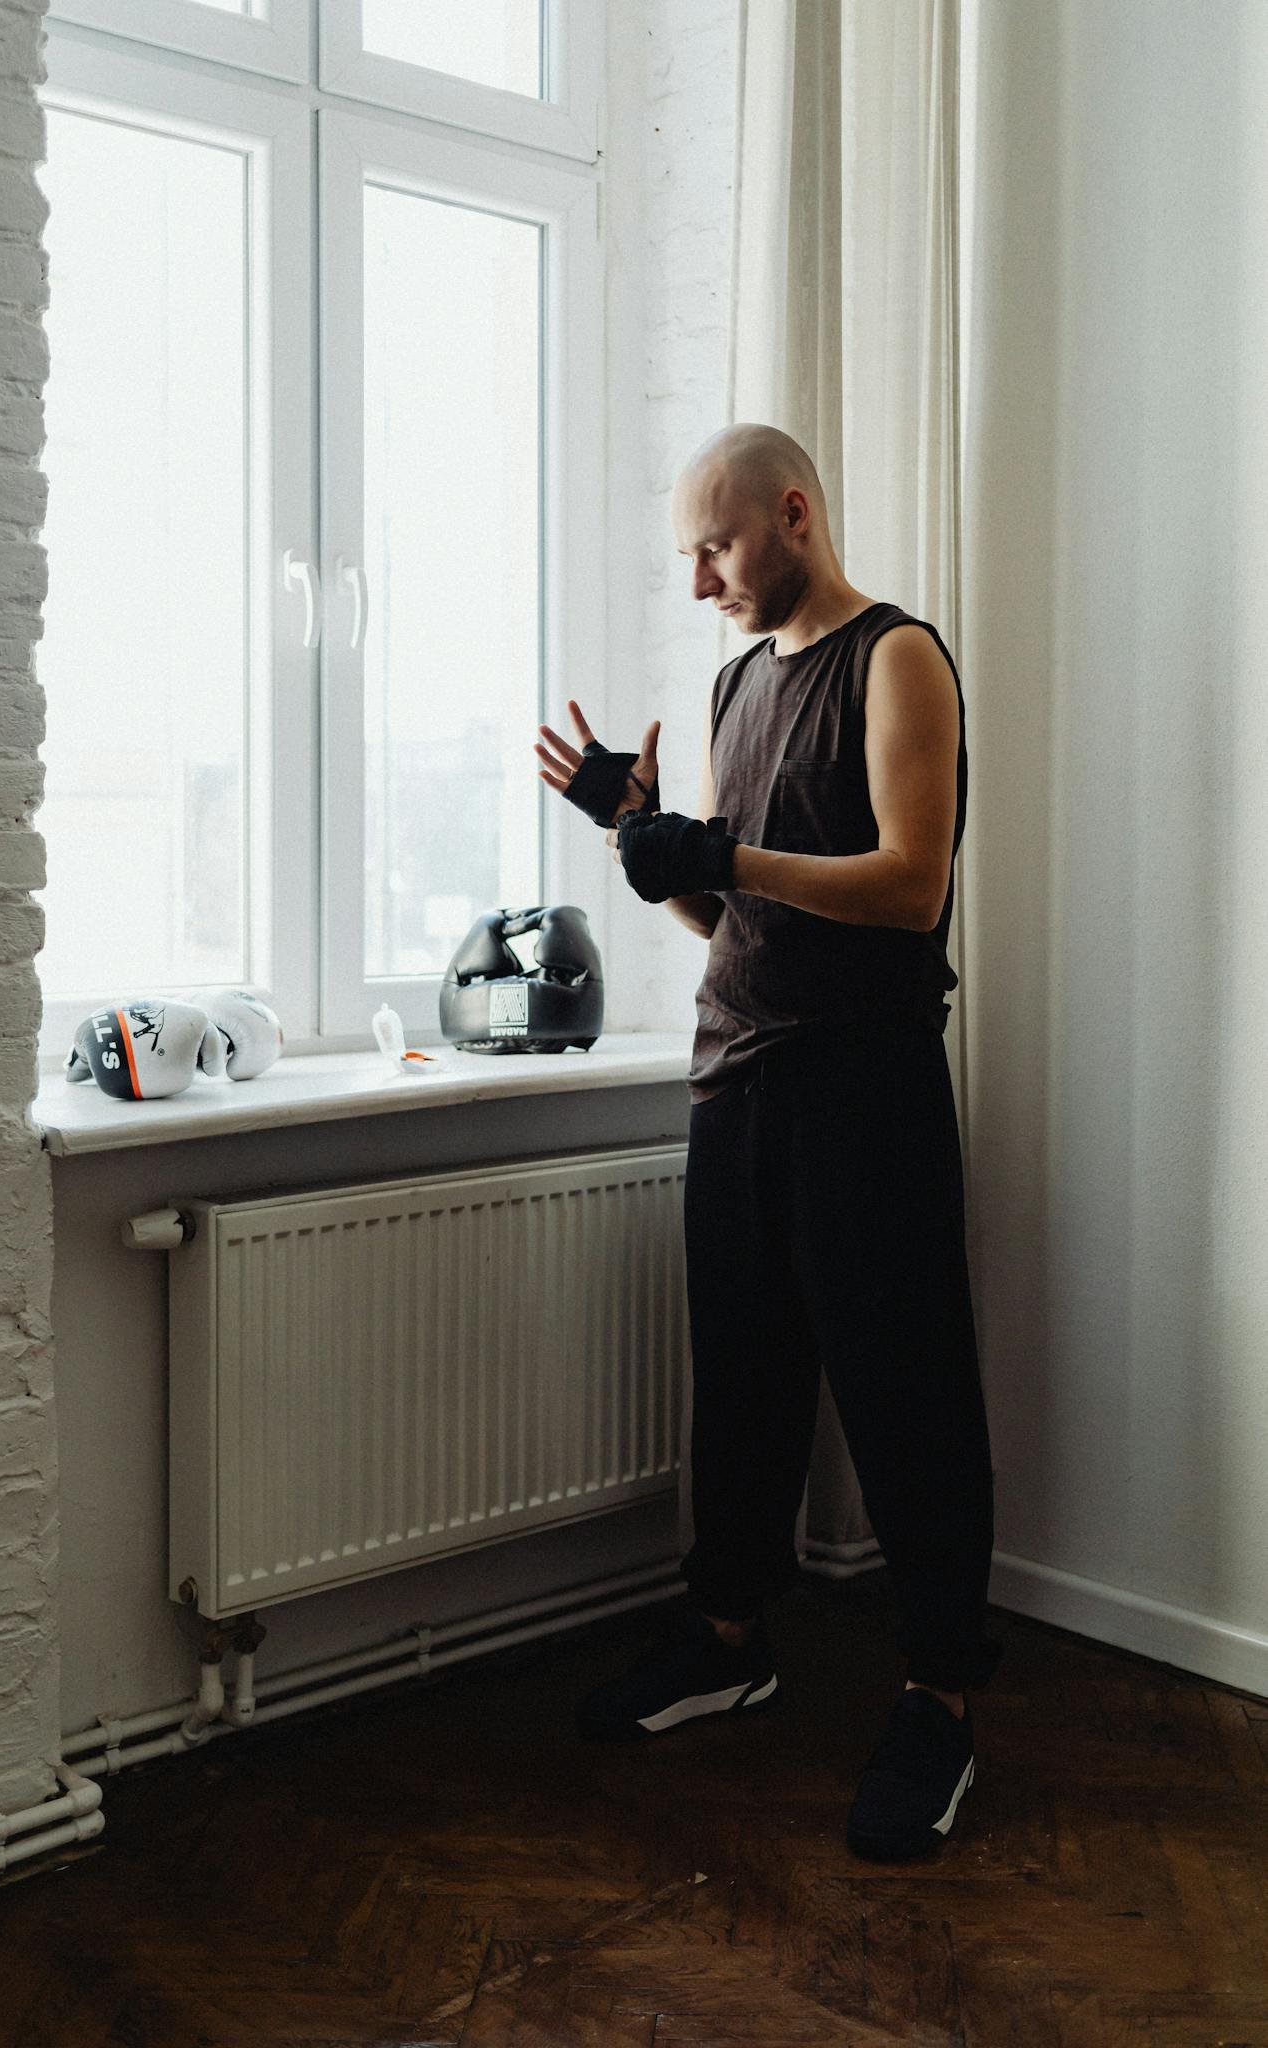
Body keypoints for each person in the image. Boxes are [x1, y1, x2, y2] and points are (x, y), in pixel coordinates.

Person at [533, 422, 1002, 1861]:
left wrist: (716, 848)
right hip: (731, 1088)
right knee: (739, 1387)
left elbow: (906, 887)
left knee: (904, 1398)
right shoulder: (738, 680)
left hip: (863, 1095)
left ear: (792, 516)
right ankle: (729, 1638)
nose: (697, 581)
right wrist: (643, 834)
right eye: (688, 552)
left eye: (714, 547)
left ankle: (940, 1706)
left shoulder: (897, 657)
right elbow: (736, 914)